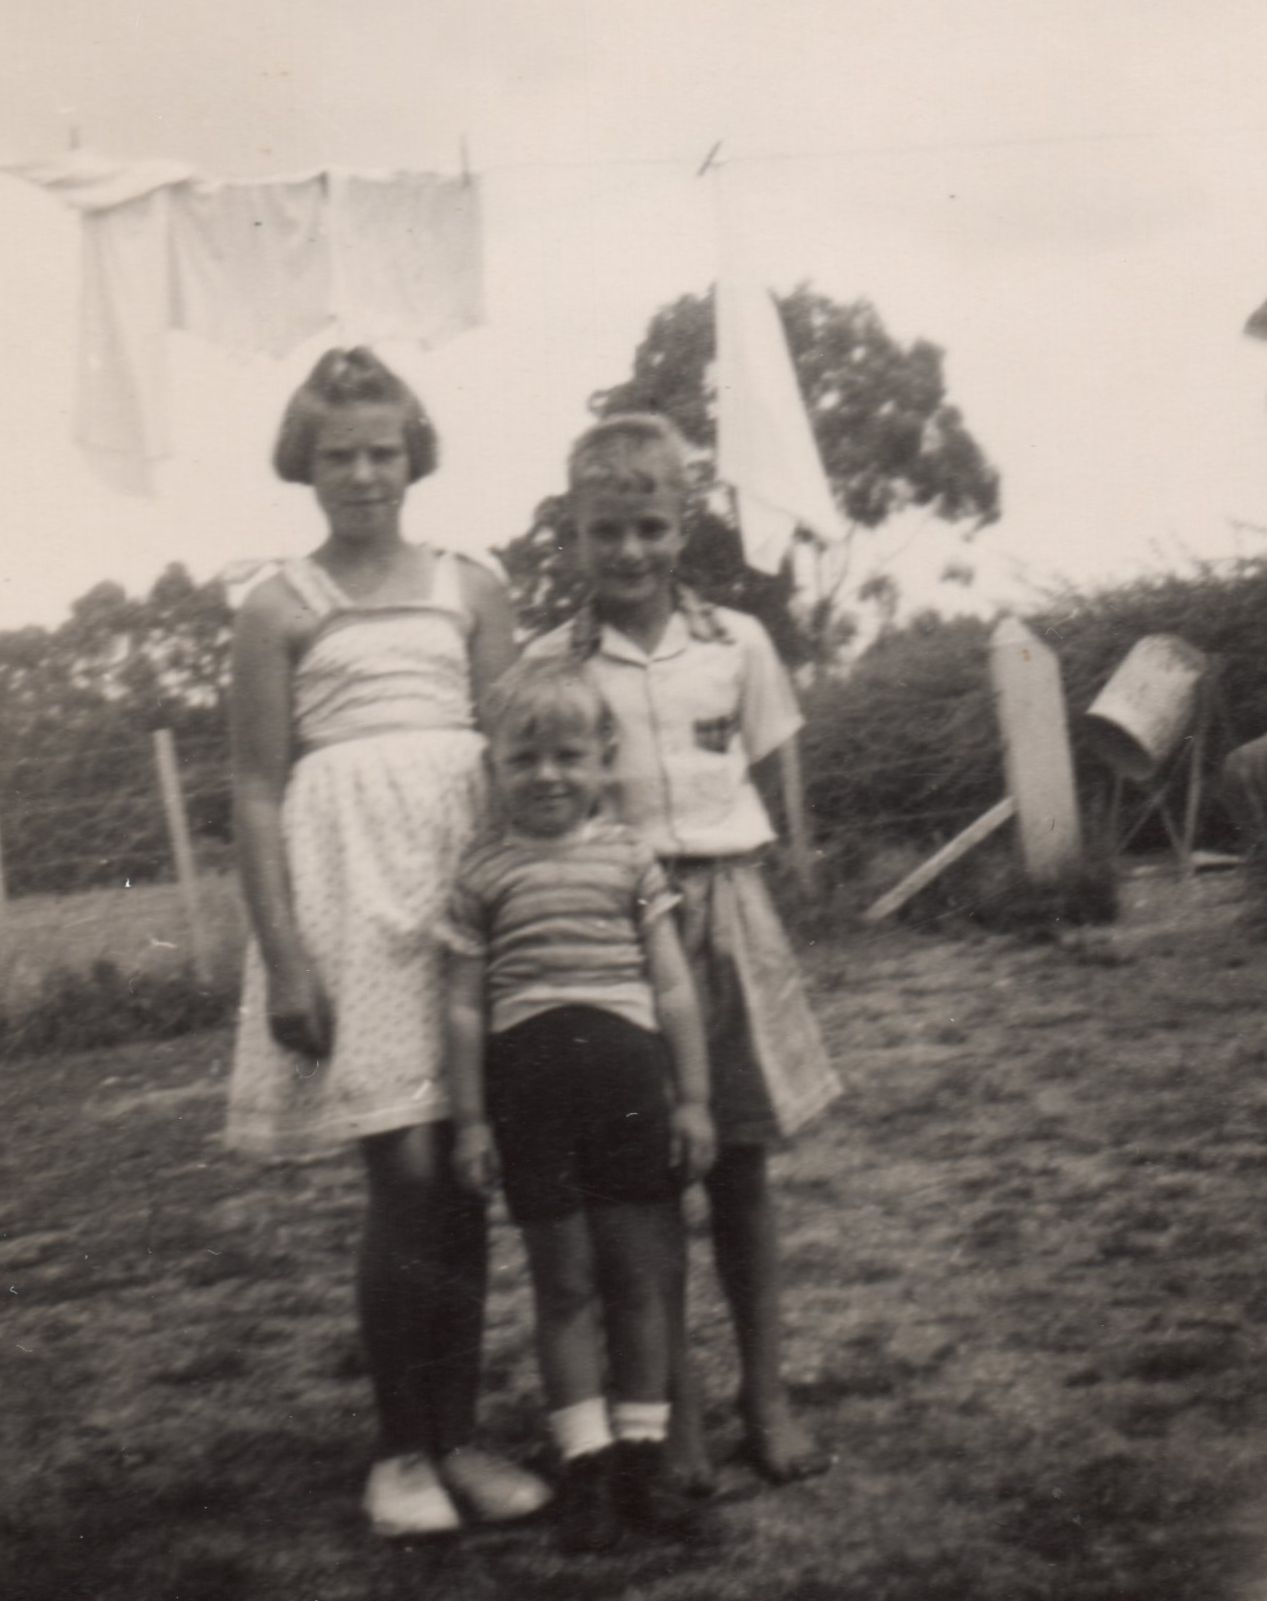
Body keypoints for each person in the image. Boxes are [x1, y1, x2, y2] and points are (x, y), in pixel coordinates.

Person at [224, 348, 550, 1539]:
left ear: (414, 453)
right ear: (302, 465)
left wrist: (530, 909)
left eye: (380, 450)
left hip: (461, 901)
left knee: (462, 1181)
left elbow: (518, 754)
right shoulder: (276, 606)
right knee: (402, 1176)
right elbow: (257, 791)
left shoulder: (473, 585)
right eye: (336, 454)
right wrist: (287, 957)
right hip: (349, 905)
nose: (362, 474)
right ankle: (400, 1447)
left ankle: (460, 1433)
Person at [529, 413, 842, 1488]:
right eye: (604, 529)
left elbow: (776, 766)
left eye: (650, 526)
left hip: (723, 908)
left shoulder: (736, 642)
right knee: (642, 1182)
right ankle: (678, 1413)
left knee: (740, 1164)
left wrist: (789, 877)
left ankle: (766, 1391)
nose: (628, 551)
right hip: (613, 931)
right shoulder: (551, 664)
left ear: (683, 525)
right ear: (572, 533)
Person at [443, 659, 717, 1552]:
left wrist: (694, 1100)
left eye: (567, 754)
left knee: (638, 1281)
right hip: (530, 1104)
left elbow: (672, 986)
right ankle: (586, 1465)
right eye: (525, 758)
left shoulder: (629, 857)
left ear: (603, 759)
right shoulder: (481, 873)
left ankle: (643, 1460)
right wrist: (474, 1118)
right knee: (563, 1286)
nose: (548, 774)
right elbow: (462, 1004)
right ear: (495, 766)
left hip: (630, 1092)